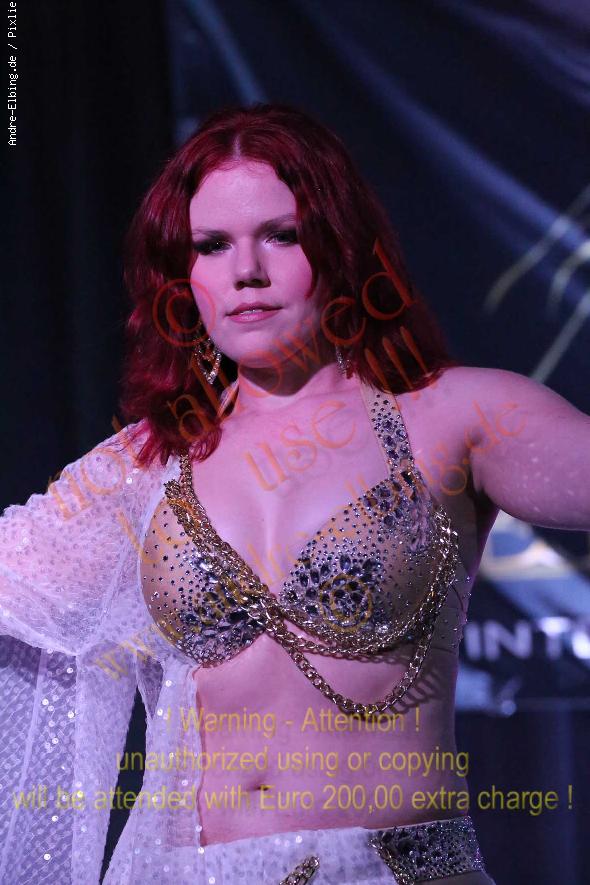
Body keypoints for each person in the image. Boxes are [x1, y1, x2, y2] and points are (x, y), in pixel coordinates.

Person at [1, 103, 589, 885]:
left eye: (280, 234)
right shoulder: (144, 465)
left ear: (339, 244)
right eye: (211, 245)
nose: (246, 270)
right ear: (183, 276)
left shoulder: (456, 416)